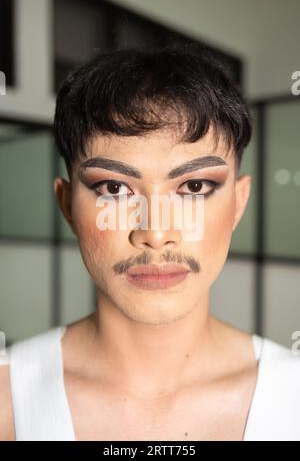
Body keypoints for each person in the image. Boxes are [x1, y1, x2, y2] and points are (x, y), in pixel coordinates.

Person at [1, 47, 299, 441]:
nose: (156, 233)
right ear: (67, 206)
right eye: (114, 187)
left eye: (194, 186)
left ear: (238, 204)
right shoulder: (8, 400)